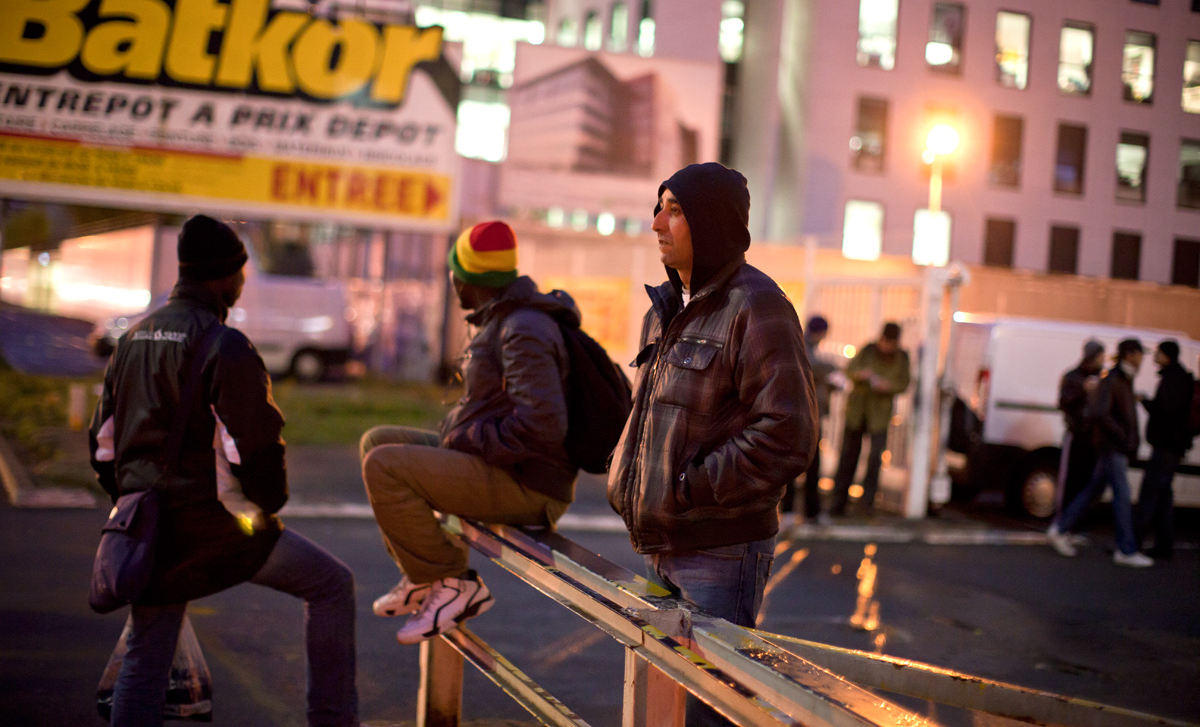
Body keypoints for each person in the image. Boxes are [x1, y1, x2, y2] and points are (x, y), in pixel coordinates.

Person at [90, 215, 357, 727]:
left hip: (147, 530)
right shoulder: (224, 345)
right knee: (331, 585)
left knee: (145, 659)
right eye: (240, 270)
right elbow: (254, 447)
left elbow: (102, 448)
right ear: (223, 276)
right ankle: (333, 720)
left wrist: (134, 502)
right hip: (214, 527)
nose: (242, 281)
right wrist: (264, 508)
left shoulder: (132, 341)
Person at [606, 162, 817, 727]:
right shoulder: (666, 308)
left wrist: (688, 486)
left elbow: (788, 433)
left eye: (675, 210)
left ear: (713, 224)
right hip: (658, 543)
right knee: (661, 705)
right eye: (660, 207)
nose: (657, 223)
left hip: (721, 551)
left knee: (708, 710)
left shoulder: (757, 305)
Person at [361, 220, 579, 644]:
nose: (451, 281)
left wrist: (472, 439)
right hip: (505, 467)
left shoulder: (522, 329)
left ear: (468, 279)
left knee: (385, 466)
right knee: (378, 441)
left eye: (453, 272)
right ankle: (424, 578)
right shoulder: (504, 319)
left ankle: (452, 581)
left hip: (530, 486)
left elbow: (546, 425)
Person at [1047, 338, 1154, 568]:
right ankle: (1125, 548)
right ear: (1130, 355)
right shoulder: (1109, 379)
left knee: (1092, 489)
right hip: (1104, 443)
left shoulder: (1114, 378)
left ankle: (1061, 528)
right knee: (1119, 496)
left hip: (1105, 444)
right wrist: (1123, 436)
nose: (1142, 360)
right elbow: (1096, 411)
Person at [829, 322, 911, 517]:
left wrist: (887, 386)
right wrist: (861, 376)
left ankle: (867, 504)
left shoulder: (901, 358)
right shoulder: (867, 350)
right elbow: (850, 370)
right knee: (848, 457)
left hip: (879, 416)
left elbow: (903, 383)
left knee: (875, 459)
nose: (887, 347)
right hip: (857, 412)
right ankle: (838, 502)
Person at [1134, 340, 1195, 559]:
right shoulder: (1179, 377)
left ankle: (1133, 544)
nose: (1154, 357)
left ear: (1167, 355)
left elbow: (1165, 412)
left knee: (1150, 493)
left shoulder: (1172, 379)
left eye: (1158, 353)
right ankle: (1164, 545)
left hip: (1166, 446)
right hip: (1173, 446)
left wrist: (1146, 402)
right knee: (1163, 495)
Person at [780, 315, 837, 528]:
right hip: (804, 414)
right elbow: (813, 366)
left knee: (802, 462)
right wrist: (832, 370)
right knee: (807, 463)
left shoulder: (801, 344)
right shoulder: (803, 346)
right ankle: (800, 512)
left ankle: (797, 511)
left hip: (802, 413)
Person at [1055, 339, 1105, 516]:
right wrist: (1083, 390)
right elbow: (1063, 402)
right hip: (1077, 433)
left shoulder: (1103, 377)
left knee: (1089, 480)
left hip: (1095, 436)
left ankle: (1077, 520)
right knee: (1071, 479)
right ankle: (1064, 519)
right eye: (1100, 355)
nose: (1102, 359)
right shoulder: (1073, 376)